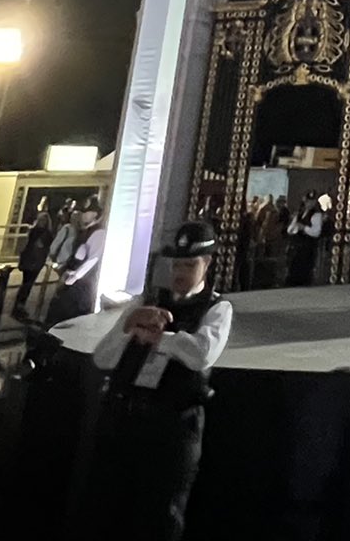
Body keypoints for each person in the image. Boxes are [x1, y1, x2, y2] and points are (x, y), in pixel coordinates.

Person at [90, 219, 233, 541]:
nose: (181, 272)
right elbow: (103, 357)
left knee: (160, 515)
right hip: (124, 418)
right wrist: (129, 324)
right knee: (108, 506)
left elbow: (201, 354)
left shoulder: (217, 308)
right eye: (177, 264)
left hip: (171, 426)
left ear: (207, 264)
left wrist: (159, 337)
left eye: (190, 264)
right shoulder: (148, 302)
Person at [46, 196, 105, 326]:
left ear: (94, 214)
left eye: (85, 212)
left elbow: (93, 259)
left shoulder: (98, 233)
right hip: (72, 278)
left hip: (82, 284)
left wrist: (75, 276)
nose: (82, 215)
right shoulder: (84, 231)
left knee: (70, 316)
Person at [14, 202, 55, 317]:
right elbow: (43, 246)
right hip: (34, 260)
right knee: (27, 284)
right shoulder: (43, 233)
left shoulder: (35, 231)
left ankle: (19, 305)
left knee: (27, 283)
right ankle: (19, 305)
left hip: (33, 260)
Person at [285, 193, 326, 286]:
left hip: (308, 246)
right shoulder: (300, 213)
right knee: (294, 268)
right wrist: (293, 229)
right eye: (308, 201)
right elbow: (291, 228)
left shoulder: (316, 215)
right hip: (297, 246)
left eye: (312, 201)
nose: (309, 204)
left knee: (305, 270)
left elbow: (316, 232)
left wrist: (304, 228)